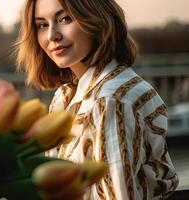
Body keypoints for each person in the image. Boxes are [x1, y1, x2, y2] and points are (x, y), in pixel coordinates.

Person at [15, 0, 179, 199]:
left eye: (65, 18)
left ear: (96, 19)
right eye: (42, 25)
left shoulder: (110, 100)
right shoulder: (65, 95)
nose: (52, 35)